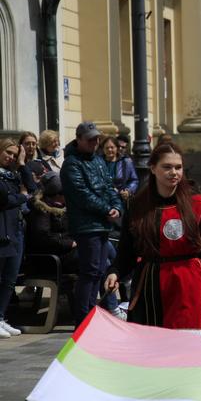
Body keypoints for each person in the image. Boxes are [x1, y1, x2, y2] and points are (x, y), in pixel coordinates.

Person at [105, 143, 201, 333]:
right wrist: (115, 272)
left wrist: (197, 270)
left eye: (178, 167)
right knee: (150, 345)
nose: (174, 172)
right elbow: (127, 250)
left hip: (187, 284)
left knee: (186, 346)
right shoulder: (136, 207)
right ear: (153, 168)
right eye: (167, 167)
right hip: (148, 284)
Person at [61, 122, 123, 326]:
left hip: (102, 224)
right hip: (86, 226)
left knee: (98, 271)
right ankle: (83, 317)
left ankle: (92, 313)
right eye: (90, 139)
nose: (95, 142)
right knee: (90, 270)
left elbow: (109, 187)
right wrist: (106, 209)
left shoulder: (98, 161)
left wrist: (117, 207)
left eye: (96, 139)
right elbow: (81, 195)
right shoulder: (71, 163)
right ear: (78, 139)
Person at [0, 139, 28, 338]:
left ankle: (1, 317)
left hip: (16, 230)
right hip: (3, 231)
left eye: (14, 154)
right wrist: (22, 197)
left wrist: (23, 163)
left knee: (10, 279)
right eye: (7, 153)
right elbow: (4, 200)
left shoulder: (13, 175)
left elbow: (32, 187)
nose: (10, 157)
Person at [25, 171, 79, 275]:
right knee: (92, 257)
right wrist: (69, 243)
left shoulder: (62, 208)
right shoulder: (41, 210)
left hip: (62, 253)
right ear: (56, 194)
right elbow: (42, 237)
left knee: (102, 251)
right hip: (48, 259)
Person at [100, 136, 139, 205]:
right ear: (103, 149)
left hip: (120, 201)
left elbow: (134, 180)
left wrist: (128, 190)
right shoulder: (98, 162)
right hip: (102, 200)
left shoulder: (126, 162)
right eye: (107, 148)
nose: (109, 150)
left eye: (112, 147)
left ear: (117, 148)